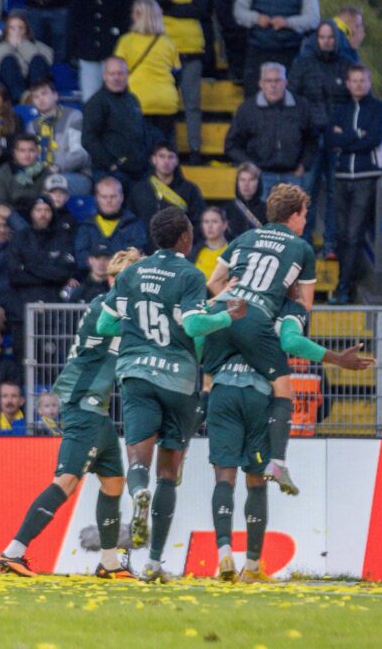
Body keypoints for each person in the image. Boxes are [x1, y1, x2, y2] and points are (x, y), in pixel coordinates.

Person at [95, 207, 245, 580]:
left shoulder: (131, 273)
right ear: (183, 238)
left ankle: (137, 494)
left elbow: (104, 321)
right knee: (169, 474)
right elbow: (194, 324)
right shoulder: (189, 274)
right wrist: (228, 316)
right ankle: (154, 562)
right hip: (178, 381)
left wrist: (134, 327)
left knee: (138, 464)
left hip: (136, 376)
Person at [203, 294, 373, 581]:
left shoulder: (229, 301)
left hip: (222, 390)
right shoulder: (286, 309)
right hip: (259, 392)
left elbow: (200, 336)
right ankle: (253, 566)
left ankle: (224, 555)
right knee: (255, 482)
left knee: (224, 477)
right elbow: (291, 342)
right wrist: (336, 358)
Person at [0, 248, 142, 578]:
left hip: (97, 407)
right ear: (115, 281)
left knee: (113, 483)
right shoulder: (106, 307)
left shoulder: (121, 309)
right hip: (82, 403)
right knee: (66, 481)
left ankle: (108, 562)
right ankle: (13, 551)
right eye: (133, 278)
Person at [206, 184, 316, 495]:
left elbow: (213, 281)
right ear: (294, 216)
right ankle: (277, 460)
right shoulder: (301, 248)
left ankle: (182, 448)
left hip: (224, 315)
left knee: (209, 381)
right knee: (284, 388)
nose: (305, 222)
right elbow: (305, 304)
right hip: (257, 322)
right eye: (304, 215)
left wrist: (233, 304)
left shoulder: (243, 238)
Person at [326, 64, 382, 305]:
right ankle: (345, 284)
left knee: (354, 234)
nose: (358, 85)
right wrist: (357, 136)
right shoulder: (341, 109)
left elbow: (374, 139)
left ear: (369, 82)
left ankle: (344, 287)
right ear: (347, 83)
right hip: (342, 177)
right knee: (343, 235)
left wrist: (346, 137)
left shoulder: (380, 109)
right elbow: (330, 139)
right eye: (354, 81)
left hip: (367, 177)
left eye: (362, 80)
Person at [290, 20, 352, 254]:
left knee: (336, 194)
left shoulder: (347, 65)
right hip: (311, 139)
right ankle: (303, 243)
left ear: (337, 40)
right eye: (322, 37)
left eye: (331, 37)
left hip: (338, 141)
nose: (327, 41)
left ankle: (331, 244)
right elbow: (294, 100)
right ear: (316, 39)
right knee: (307, 193)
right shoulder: (303, 65)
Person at [141, 0, 208, 163]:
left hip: (191, 52)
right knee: (167, 107)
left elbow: (200, 9)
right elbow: (156, 2)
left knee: (192, 104)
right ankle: (167, 152)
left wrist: (169, 9)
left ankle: (195, 149)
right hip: (163, 55)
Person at [224, 62, 317, 199]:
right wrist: (251, 168)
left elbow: (312, 139)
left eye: (277, 80)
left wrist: (304, 165)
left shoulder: (301, 106)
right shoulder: (247, 109)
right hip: (261, 178)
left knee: (292, 220)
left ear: (285, 82)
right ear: (261, 83)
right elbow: (231, 145)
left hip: (293, 177)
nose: (273, 85)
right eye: (268, 81)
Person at [6, 196, 77, 348]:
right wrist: (50, 274)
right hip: (23, 313)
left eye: (47, 210)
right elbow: (15, 275)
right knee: (24, 364)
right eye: (38, 210)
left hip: (53, 313)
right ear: (31, 213)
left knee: (51, 364)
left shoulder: (62, 237)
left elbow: (64, 273)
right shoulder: (20, 238)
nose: (43, 214)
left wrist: (29, 267)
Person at [233, 0, 320, 89]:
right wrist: (256, 18)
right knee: (253, 97)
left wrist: (288, 22)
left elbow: (313, 18)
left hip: (290, 52)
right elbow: (239, 11)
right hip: (257, 51)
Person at [115, 0, 182, 149]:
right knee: (165, 150)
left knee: (139, 149)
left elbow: (118, 73)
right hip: (166, 101)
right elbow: (177, 73)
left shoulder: (126, 41)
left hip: (138, 100)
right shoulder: (168, 42)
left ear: (138, 15)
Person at [81, 57, 152, 192]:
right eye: (112, 74)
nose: (116, 78)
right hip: (111, 174)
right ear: (104, 76)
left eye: (120, 73)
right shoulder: (96, 103)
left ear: (127, 75)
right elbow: (88, 139)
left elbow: (142, 131)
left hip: (138, 172)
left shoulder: (132, 99)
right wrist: (112, 164)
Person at [67, 0, 134, 101]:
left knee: (117, 98)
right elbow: (74, 23)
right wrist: (73, 50)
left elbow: (127, 23)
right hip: (89, 53)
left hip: (114, 53)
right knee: (91, 98)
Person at [129, 142, 205, 246]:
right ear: (153, 159)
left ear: (177, 161)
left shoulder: (190, 190)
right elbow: (131, 222)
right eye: (162, 156)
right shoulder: (139, 189)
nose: (166, 161)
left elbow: (198, 223)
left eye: (170, 157)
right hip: (145, 252)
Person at [5, 0, 84, 63]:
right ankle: (41, 77)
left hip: (61, 5)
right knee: (35, 51)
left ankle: (59, 75)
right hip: (34, 4)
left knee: (62, 53)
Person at [27, 79, 92, 196]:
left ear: (55, 95)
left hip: (75, 175)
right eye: (36, 97)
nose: (40, 99)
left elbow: (80, 153)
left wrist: (58, 167)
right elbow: (31, 157)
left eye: (44, 94)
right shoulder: (32, 126)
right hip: (44, 176)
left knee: (46, 184)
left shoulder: (74, 117)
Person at [0, 12, 53, 104]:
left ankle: (36, 96)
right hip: (9, 89)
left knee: (38, 58)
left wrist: (22, 45)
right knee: (8, 61)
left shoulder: (40, 47)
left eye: (20, 28)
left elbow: (45, 63)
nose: (16, 31)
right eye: (12, 28)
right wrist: (8, 46)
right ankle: (25, 98)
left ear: (26, 30)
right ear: (6, 30)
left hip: (34, 84)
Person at [74, 177, 146, 271]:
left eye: (113, 196)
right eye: (104, 197)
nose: (108, 201)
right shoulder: (86, 225)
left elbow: (136, 255)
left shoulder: (134, 224)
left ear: (121, 198)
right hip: (92, 280)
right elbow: (80, 257)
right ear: (97, 199)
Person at [0, 134, 50, 215]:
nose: (27, 155)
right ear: (14, 152)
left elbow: (47, 201)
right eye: (22, 150)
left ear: (37, 152)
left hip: (39, 215)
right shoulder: (1, 173)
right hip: (11, 216)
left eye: (31, 150)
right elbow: (2, 202)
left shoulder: (46, 173)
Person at [224, 162, 267, 240]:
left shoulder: (266, 209)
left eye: (251, 180)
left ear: (258, 182)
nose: (246, 184)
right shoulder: (228, 209)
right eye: (242, 180)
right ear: (237, 182)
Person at [191, 206, 228, 280]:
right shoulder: (194, 252)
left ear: (224, 225)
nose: (210, 226)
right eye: (206, 222)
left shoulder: (232, 251)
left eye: (214, 221)